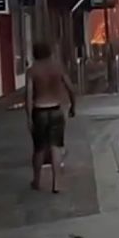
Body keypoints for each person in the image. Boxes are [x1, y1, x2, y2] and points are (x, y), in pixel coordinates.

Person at [26, 42, 77, 192]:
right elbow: (71, 88)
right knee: (56, 146)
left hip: (39, 111)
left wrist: (29, 117)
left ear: (35, 53)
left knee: (39, 148)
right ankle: (57, 183)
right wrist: (73, 106)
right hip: (56, 109)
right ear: (49, 52)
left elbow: (29, 96)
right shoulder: (58, 67)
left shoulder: (32, 71)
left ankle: (37, 181)